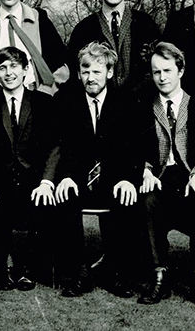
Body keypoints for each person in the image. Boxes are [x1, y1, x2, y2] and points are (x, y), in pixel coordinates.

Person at [54, 41, 141, 298]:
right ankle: (78, 271)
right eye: (86, 71)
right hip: (78, 176)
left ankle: (116, 271)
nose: (91, 78)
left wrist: (127, 178)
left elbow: (133, 147)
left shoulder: (126, 101)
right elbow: (60, 146)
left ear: (110, 73)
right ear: (79, 72)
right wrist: (66, 177)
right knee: (65, 196)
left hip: (113, 176)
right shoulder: (65, 100)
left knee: (126, 198)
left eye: (97, 71)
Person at [135, 42, 195, 308]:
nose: (162, 77)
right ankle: (159, 276)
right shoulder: (142, 110)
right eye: (156, 72)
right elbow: (134, 150)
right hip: (160, 179)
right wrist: (146, 171)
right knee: (148, 202)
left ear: (180, 70)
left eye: (168, 70)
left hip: (189, 178)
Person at [0, 47, 60, 291]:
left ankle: (27, 269)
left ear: (25, 69)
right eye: (2, 68)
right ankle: (2, 267)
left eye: (14, 66)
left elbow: (54, 147)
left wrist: (47, 182)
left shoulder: (44, 103)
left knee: (41, 206)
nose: (9, 73)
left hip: (34, 180)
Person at [67, 0, 159, 96]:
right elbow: (75, 73)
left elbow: (158, 65)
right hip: (101, 106)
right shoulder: (84, 29)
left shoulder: (145, 23)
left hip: (142, 104)